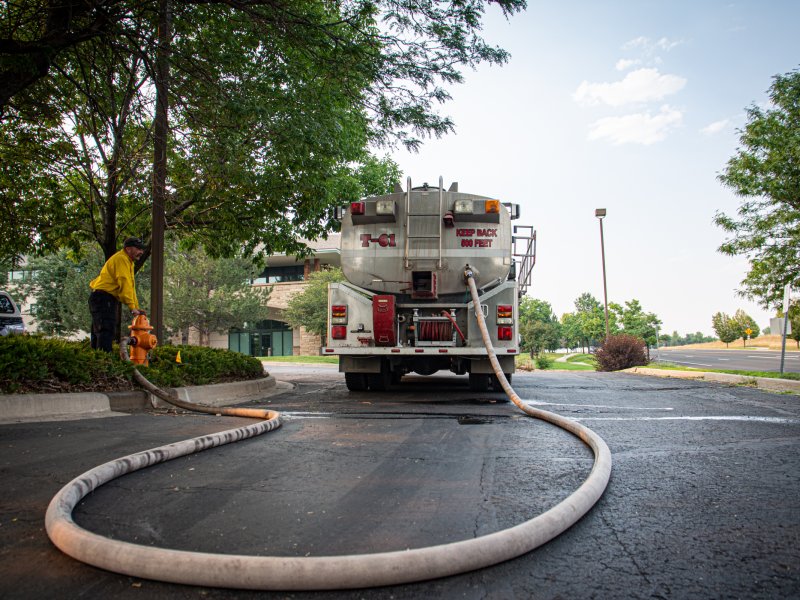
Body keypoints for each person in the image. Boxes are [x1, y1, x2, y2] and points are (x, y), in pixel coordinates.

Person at [88, 236, 146, 352]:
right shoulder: (121, 259)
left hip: (103, 297)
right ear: (128, 249)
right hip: (104, 297)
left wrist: (135, 306)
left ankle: (96, 360)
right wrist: (132, 307)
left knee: (100, 330)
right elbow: (124, 282)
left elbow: (130, 287)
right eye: (138, 248)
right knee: (105, 330)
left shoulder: (128, 262)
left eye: (142, 249)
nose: (141, 252)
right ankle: (104, 362)